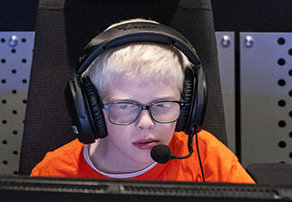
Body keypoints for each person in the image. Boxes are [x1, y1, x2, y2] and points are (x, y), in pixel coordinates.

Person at [32, 20, 254, 183]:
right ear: (91, 111)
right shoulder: (54, 174)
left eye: (163, 105)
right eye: (126, 106)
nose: (146, 123)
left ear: (189, 108)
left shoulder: (208, 160)